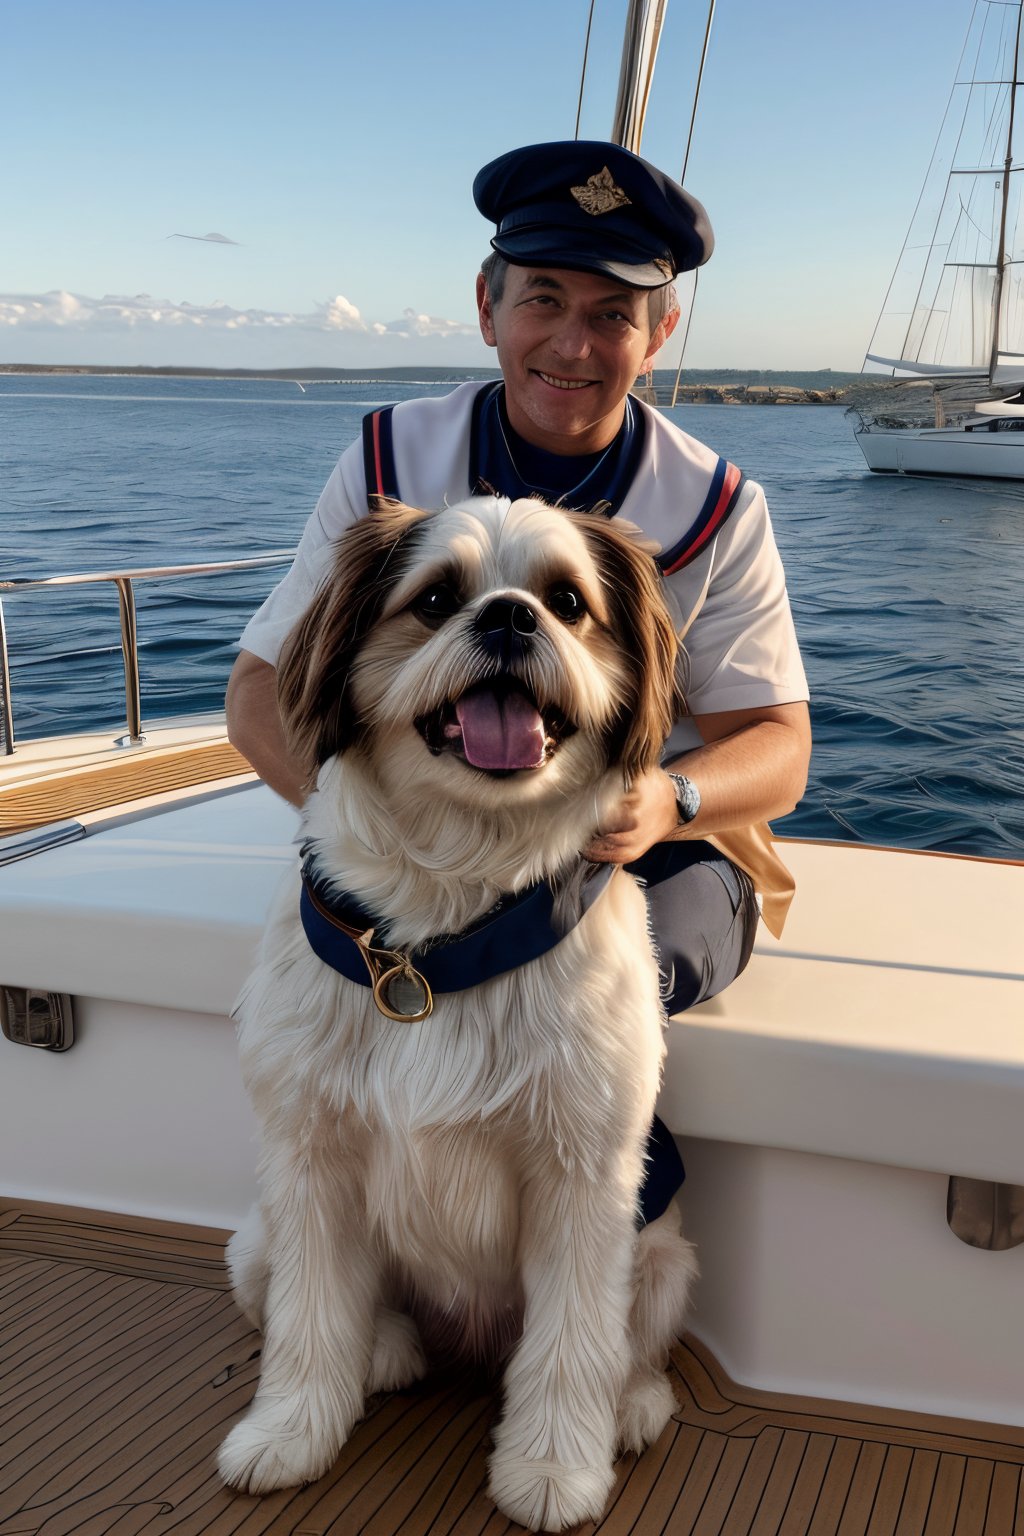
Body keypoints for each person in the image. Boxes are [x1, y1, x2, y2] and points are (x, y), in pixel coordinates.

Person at [226, 141, 811, 1219]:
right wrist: (374, 829)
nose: (572, 343)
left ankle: (605, 1238)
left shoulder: (719, 506)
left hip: (653, 833)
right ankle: (401, 1230)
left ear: (659, 334)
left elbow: (777, 743)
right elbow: (260, 689)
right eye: (543, 299)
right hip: (429, 814)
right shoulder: (389, 460)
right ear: (488, 307)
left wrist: (668, 799)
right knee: (340, 947)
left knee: (614, 976)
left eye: (613, 313)